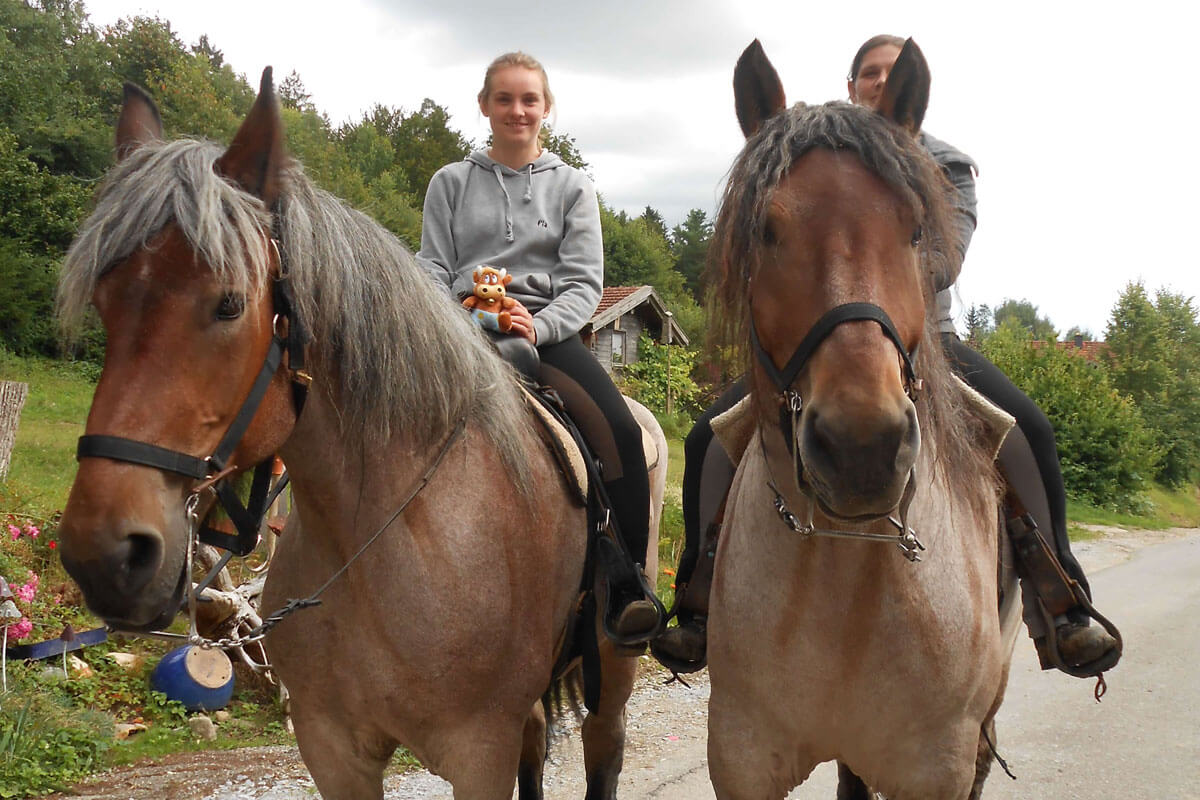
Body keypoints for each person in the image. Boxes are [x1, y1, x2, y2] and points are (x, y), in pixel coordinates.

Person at [652, 35, 1121, 677]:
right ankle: (698, 600)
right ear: (851, 87)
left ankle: (1062, 596)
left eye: (890, 75)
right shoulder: (816, 157)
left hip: (924, 339)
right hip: (822, 343)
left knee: (1028, 429)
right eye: (868, 73)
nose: (878, 82)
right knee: (709, 436)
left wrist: (872, 284)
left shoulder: (945, 164)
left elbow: (946, 259)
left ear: (909, 95)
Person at [416, 52, 661, 644]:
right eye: (505, 99)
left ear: (546, 109)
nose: (517, 110)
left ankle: (625, 583)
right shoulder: (450, 182)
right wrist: (450, 313)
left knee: (622, 434)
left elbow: (585, 285)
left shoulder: (573, 187)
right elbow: (429, 266)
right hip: (459, 334)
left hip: (544, 337)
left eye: (529, 100)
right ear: (485, 106)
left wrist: (541, 325)